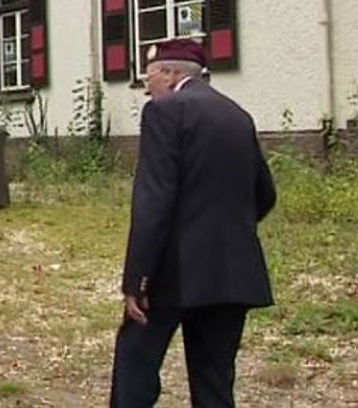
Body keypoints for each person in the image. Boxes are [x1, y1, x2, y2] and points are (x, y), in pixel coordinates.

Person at [111, 39, 276, 408]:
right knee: (214, 381)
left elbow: (154, 200)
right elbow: (265, 194)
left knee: (135, 363)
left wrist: (137, 280)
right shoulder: (238, 115)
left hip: (173, 272)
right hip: (232, 270)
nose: (146, 87)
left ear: (170, 74)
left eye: (148, 77)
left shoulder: (164, 111)